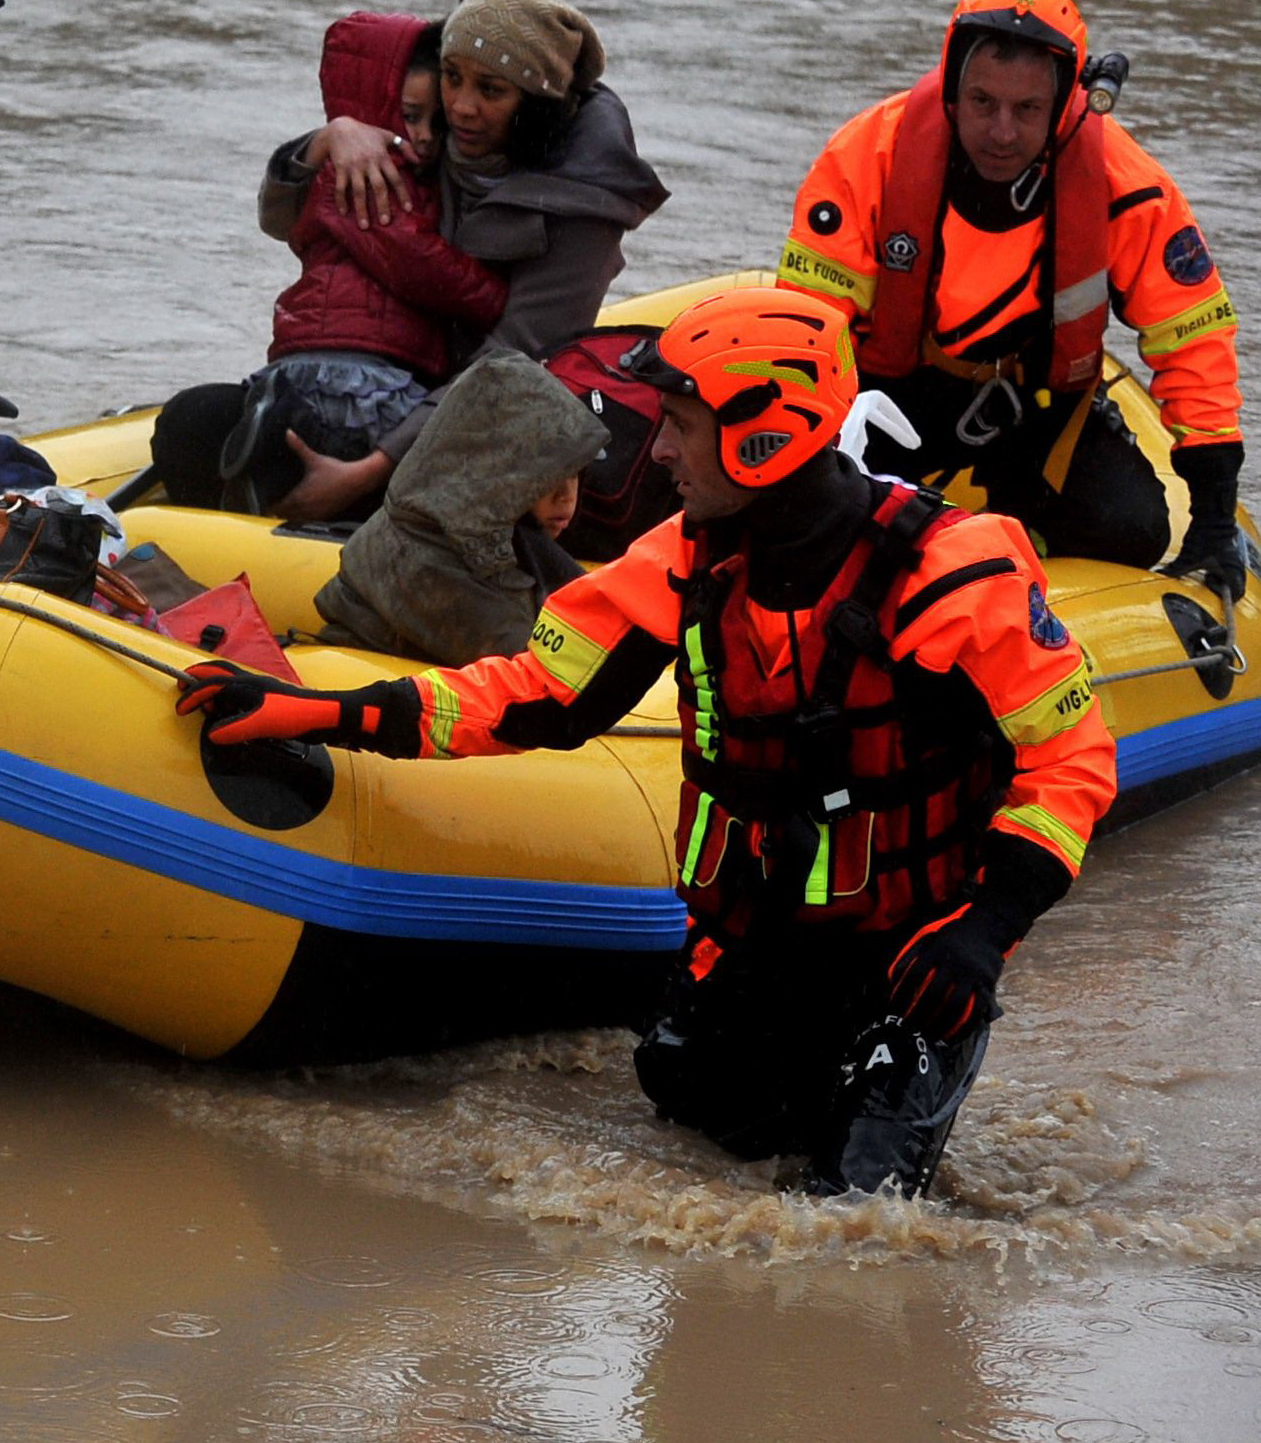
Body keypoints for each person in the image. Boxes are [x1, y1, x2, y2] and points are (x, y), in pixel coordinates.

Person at [175, 289, 1113, 1198]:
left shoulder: (955, 575)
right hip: (765, 933)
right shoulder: (684, 556)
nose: (656, 450)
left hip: (914, 956)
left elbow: (1071, 760)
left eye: (677, 424)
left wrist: (983, 934)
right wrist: (322, 713)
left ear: (765, 433)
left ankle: (907, 1078)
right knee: (687, 1094)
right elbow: (535, 696)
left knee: (857, 1209)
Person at [773, 0, 1243, 596]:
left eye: (1027, 110)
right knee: (815, 520)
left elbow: (1192, 338)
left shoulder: (1126, 187)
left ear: (1066, 104)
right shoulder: (867, 158)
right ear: (952, 87)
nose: (1001, 132)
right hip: (887, 398)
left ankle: (1009, 556)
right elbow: (806, 328)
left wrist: (1214, 515)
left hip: (1035, 411)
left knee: (1133, 528)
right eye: (982, 102)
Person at [255, 0, 669, 520]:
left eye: (491, 91)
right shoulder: (433, 126)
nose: (462, 107)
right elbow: (282, 220)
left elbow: (511, 362)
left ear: (536, 104)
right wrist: (330, 138)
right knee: (196, 423)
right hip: (395, 378)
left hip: (482, 419)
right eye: (452, 78)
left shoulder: (586, 208)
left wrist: (370, 471)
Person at [155, 11, 502, 511]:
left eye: (436, 122)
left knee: (310, 413)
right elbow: (424, 266)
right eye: (410, 116)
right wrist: (489, 296)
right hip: (369, 361)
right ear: (375, 108)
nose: (426, 136)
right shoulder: (371, 180)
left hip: (303, 350)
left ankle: (265, 462)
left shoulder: (335, 175)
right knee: (357, 419)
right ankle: (272, 457)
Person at [308, 352, 604, 664]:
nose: (566, 496)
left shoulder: (493, 540)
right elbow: (560, 668)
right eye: (547, 477)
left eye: (574, 474)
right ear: (493, 473)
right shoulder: (434, 564)